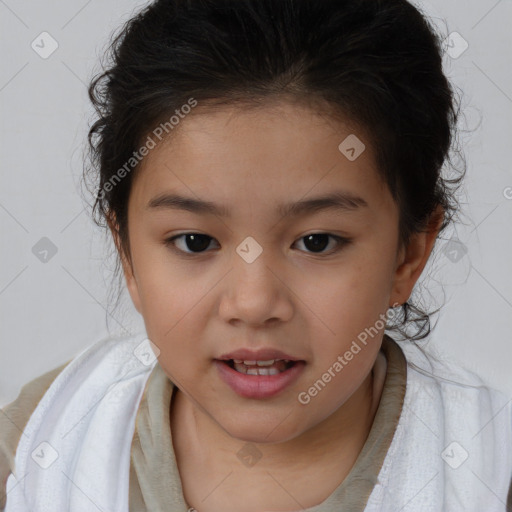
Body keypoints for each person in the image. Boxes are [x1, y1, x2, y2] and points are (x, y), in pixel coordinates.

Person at [1, 0, 511, 510]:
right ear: (128, 255)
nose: (253, 303)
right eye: (195, 242)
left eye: (317, 242)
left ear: (410, 254)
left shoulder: (489, 469)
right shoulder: (38, 445)